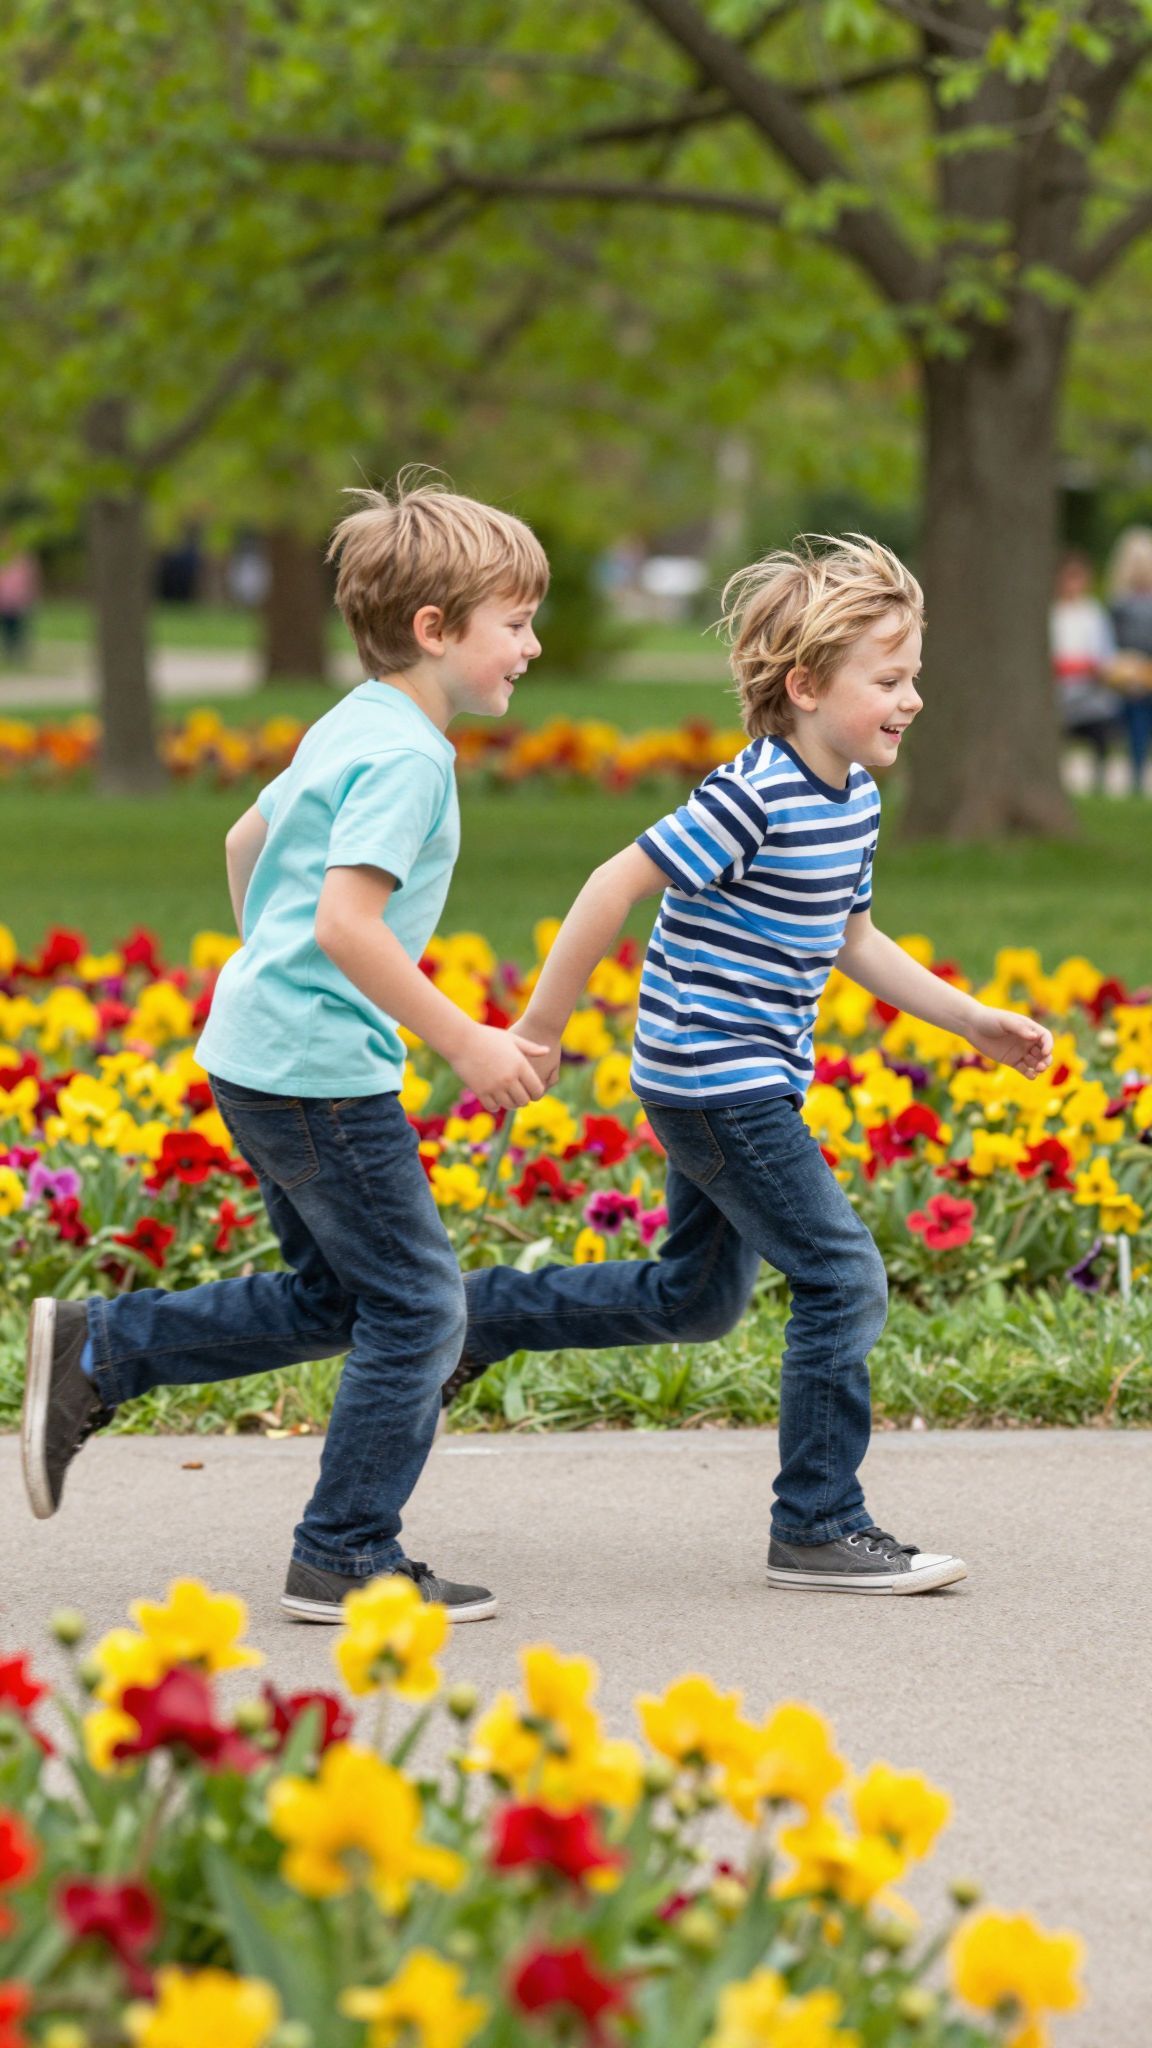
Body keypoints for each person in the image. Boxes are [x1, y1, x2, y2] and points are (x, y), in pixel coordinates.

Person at [448, 536, 1054, 1596]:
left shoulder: (853, 798)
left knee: (696, 1298)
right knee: (842, 1273)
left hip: (748, 1076)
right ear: (807, 684)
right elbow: (609, 883)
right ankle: (819, 1521)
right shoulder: (754, 793)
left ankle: (482, 1313)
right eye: (890, 679)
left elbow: (854, 937)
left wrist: (971, 1019)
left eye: (915, 677)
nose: (912, 699)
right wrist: (539, 1030)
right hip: (711, 1077)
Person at [21, 478, 551, 1624]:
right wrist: (466, 1040)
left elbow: (246, 837)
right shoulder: (409, 758)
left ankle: (101, 1347)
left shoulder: (355, 717)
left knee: (339, 1297)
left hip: (260, 1051)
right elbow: (346, 923)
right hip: (317, 1074)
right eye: (514, 622)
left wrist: (266, 972)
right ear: (435, 628)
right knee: (420, 1307)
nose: (533, 643)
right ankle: (345, 1550)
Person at [1049, 550, 1119, 793]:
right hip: (1060, 690)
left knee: (1102, 718)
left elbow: (1104, 654)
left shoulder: (1094, 614)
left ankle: (1099, 780)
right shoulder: (1053, 613)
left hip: (1089, 689)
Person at [1106, 526, 1152, 795]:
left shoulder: (1119, 602)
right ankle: (1135, 775)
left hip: (1133, 670)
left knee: (1135, 721)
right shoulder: (1121, 602)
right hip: (1132, 672)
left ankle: (1135, 775)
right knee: (1137, 721)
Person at [0, 536, 41, 661]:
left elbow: (30, 578)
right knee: (7, 628)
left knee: (19, 627)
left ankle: (18, 653)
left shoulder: (22, 557)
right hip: (3, 600)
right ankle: (9, 652)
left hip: (18, 599)